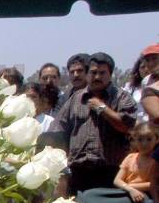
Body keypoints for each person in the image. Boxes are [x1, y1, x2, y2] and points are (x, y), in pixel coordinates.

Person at [47, 52, 137, 194]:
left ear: (110, 74)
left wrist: (102, 108)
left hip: (111, 172)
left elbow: (127, 126)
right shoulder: (75, 99)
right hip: (78, 172)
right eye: (93, 72)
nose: (97, 77)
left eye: (102, 73)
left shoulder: (122, 98)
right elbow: (58, 130)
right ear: (87, 74)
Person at [113, 122, 156, 203]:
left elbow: (153, 184)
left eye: (149, 139)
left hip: (147, 198)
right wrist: (130, 190)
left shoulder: (156, 161)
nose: (144, 143)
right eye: (140, 139)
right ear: (134, 140)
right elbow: (117, 180)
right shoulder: (130, 158)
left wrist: (129, 186)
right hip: (127, 194)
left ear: (156, 140)